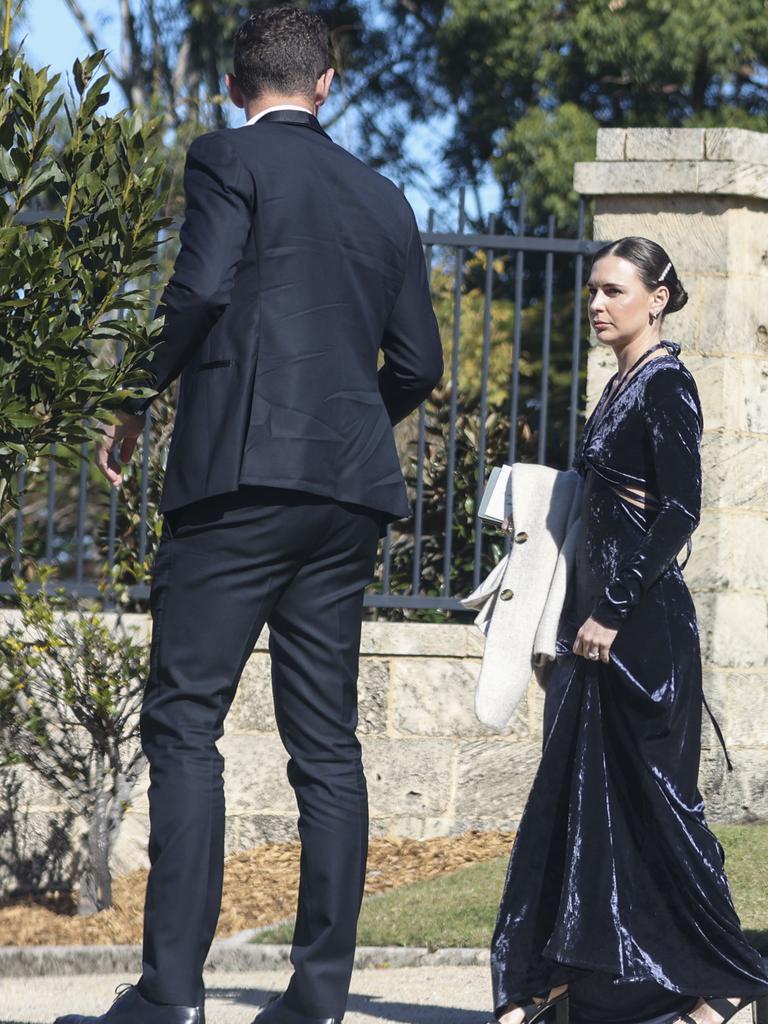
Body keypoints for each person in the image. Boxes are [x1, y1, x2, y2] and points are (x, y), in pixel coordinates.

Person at [56, 8, 442, 1024]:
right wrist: (351, 428)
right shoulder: (387, 196)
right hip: (350, 495)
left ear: (236, 87)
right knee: (328, 748)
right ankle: (316, 999)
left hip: (235, 486)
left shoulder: (225, 157)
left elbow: (199, 285)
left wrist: (137, 395)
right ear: (328, 83)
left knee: (187, 725)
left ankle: (170, 994)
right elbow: (421, 366)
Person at [486, 237, 768, 1024]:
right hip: (592, 630)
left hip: (640, 633)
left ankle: (723, 989)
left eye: (614, 290)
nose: (598, 304)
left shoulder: (667, 385)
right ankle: (560, 986)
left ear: (660, 298)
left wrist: (609, 608)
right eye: (593, 291)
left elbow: (680, 510)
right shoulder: (618, 386)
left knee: (657, 806)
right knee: (576, 806)